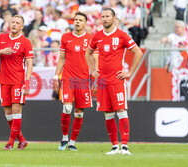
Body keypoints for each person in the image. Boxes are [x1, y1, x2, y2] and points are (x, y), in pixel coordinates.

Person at [85, 8, 143, 155]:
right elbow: (88, 53)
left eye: (107, 16)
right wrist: (93, 70)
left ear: (114, 18)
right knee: (108, 113)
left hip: (117, 80)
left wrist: (129, 72)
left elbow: (138, 52)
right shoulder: (97, 36)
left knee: (121, 111)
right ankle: (114, 146)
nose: (104, 19)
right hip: (102, 81)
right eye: (102, 16)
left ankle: (125, 146)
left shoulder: (121, 35)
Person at [0, 15, 34, 150]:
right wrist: (2, 51)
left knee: (16, 110)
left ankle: (10, 143)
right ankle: (22, 140)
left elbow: (29, 63)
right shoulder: (1, 38)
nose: (14, 24)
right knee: (8, 113)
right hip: (4, 79)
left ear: (21, 26)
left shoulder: (25, 42)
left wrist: (27, 81)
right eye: (12, 22)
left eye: (17, 23)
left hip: (18, 80)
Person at [53, 12, 94, 151]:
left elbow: (94, 60)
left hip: (83, 80)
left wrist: (95, 78)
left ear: (85, 23)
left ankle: (72, 142)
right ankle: (64, 138)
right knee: (67, 108)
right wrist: (55, 76)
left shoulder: (90, 39)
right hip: (68, 78)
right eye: (76, 19)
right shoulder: (65, 37)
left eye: (80, 20)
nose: (77, 22)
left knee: (79, 112)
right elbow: (62, 58)